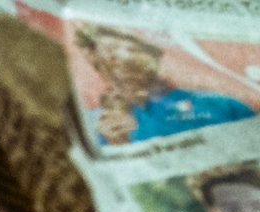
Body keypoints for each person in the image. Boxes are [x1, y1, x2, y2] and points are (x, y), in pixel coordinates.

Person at [74, 25, 255, 146]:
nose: (123, 58)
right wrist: (118, 145)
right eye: (110, 52)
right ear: (96, 63)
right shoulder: (93, 124)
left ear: (154, 57)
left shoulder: (222, 105)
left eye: (132, 49)